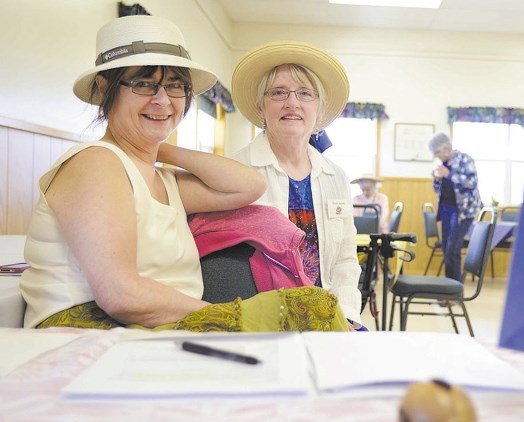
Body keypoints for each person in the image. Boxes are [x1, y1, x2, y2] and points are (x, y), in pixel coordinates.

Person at [19, 15, 348, 333]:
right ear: (106, 89)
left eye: (175, 86)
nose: (162, 100)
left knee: (317, 309)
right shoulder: (96, 163)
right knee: (311, 310)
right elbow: (118, 294)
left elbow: (249, 185)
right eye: (145, 84)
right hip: (91, 328)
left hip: (150, 327)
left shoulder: (159, 177)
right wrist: (228, 318)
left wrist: (150, 147)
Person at [229, 40, 363, 328]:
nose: (292, 103)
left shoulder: (335, 176)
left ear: (320, 109)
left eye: (305, 93)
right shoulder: (234, 170)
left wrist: (347, 315)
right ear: (260, 107)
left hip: (329, 315)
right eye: (278, 93)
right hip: (261, 319)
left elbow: (345, 260)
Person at [427, 132, 482, 281]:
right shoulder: (444, 165)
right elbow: (439, 190)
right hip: (446, 210)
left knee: (453, 250)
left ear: (445, 148)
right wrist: (437, 180)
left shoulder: (465, 159)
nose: (436, 156)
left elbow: (472, 183)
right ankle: (449, 289)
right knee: (446, 250)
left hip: (463, 212)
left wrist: (449, 175)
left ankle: (455, 291)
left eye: (437, 153)